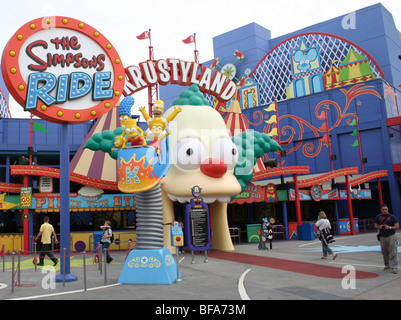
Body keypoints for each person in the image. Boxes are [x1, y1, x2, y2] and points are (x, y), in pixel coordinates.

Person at [374, 203, 399, 274]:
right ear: (381, 210)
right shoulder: (378, 217)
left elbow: (397, 226)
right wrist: (379, 227)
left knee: (393, 251)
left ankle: (394, 267)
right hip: (382, 236)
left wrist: (390, 227)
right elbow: (375, 225)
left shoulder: (392, 217)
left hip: (391, 235)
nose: (385, 211)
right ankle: (387, 265)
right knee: (384, 252)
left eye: (386, 209)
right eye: (383, 209)